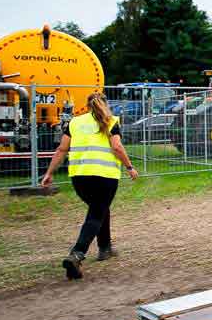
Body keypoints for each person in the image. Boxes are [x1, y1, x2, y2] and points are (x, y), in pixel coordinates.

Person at [41, 92, 139, 279]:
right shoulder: (110, 121)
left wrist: (49, 173)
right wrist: (129, 167)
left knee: (100, 209)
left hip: (79, 177)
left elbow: (62, 149)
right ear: (105, 104)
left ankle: (105, 248)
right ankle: (77, 254)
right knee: (96, 214)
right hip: (104, 176)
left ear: (86, 106)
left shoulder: (75, 123)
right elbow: (117, 147)